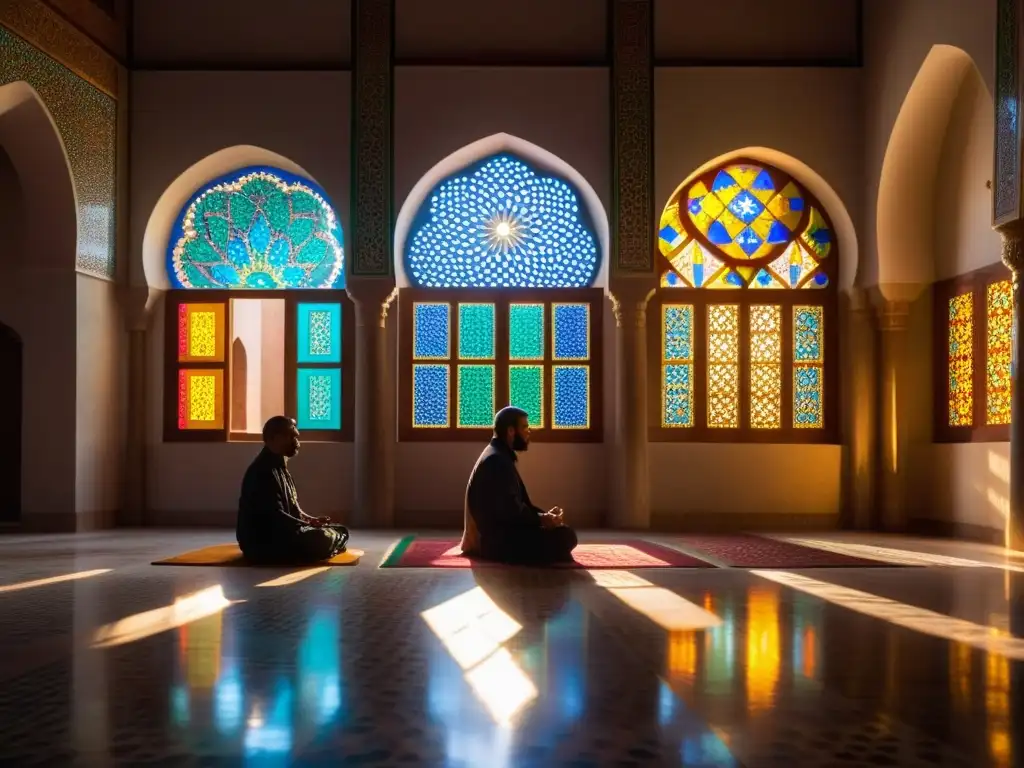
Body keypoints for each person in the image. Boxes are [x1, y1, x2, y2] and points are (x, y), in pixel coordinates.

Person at [460, 406, 578, 564]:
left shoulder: (498, 454)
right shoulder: (497, 460)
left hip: (498, 536)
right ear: (511, 431)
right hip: (494, 543)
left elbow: (515, 505)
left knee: (560, 531)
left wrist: (544, 517)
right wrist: (542, 520)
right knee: (566, 536)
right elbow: (510, 511)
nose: (529, 431)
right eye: (525, 427)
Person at [236, 416, 349, 564]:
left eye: (296, 437)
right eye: (291, 437)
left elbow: (293, 507)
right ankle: (329, 546)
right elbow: (275, 516)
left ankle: (329, 544)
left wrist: (310, 520)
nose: (297, 443)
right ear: (275, 438)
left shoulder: (280, 466)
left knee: (341, 530)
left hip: (284, 535)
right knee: (322, 539)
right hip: (263, 543)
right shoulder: (261, 471)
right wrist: (307, 526)